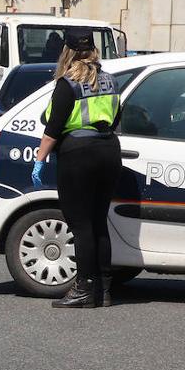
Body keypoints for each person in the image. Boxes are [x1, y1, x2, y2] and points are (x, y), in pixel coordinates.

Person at [32, 26, 121, 308]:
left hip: (78, 154)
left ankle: (83, 289)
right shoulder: (110, 80)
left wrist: (39, 160)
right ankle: (104, 290)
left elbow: (53, 128)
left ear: (67, 52)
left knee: (81, 226)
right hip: (108, 151)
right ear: (94, 50)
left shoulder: (67, 84)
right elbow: (117, 117)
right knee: (98, 223)